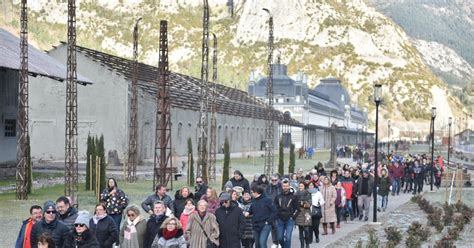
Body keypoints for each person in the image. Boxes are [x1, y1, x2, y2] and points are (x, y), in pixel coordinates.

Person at [274, 178, 298, 248]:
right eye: (284, 186)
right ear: (282, 186)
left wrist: (293, 216)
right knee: (280, 238)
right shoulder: (278, 196)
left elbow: (297, 209)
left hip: (290, 219)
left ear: (289, 186)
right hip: (280, 219)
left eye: (287, 186)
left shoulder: (294, 196)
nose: (285, 187)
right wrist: (277, 216)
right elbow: (275, 207)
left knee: (288, 238)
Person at [295, 182, 312, 248]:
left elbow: (309, 204)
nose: (300, 187)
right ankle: (302, 245)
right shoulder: (296, 193)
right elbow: (295, 203)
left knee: (306, 230)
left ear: (304, 186)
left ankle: (307, 243)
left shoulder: (308, 193)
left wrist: (302, 203)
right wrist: (301, 203)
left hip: (307, 213)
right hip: (299, 213)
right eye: (300, 186)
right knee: (300, 230)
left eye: (302, 186)